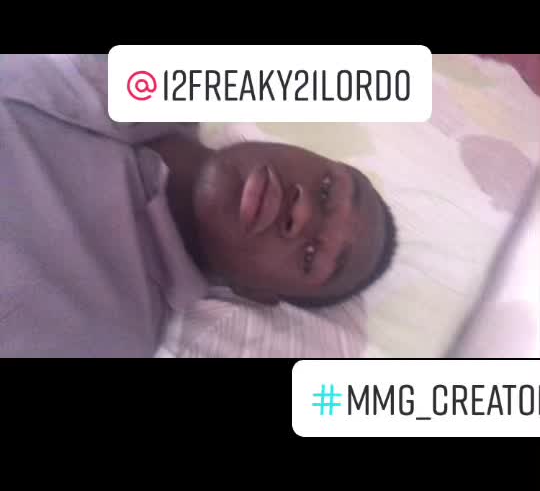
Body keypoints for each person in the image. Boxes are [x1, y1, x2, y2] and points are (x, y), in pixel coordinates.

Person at [0, 54, 397, 359]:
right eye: (326, 190)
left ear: (255, 293)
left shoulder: (100, 332)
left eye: (310, 257)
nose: (302, 212)